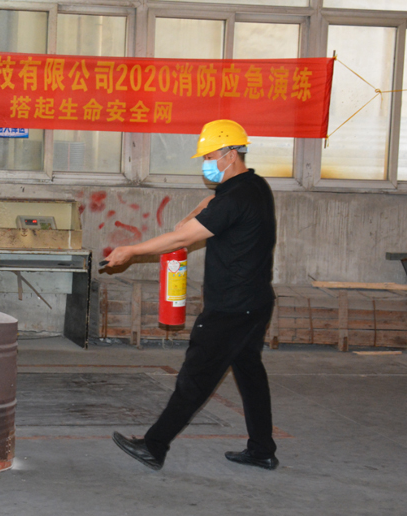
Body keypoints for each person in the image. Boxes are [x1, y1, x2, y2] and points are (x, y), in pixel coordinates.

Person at [103, 119, 279, 471]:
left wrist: (132, 251)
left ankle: (154, 446)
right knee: (250, 376)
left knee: (195, 377)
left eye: (210, 157)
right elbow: (204, 211)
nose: (206, 164)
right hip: (255, 302)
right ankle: (262, 450)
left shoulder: (235, 198)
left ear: (230, 154)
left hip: (231, 309)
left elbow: (183, 237)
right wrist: (198, 209)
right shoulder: (253, 186)